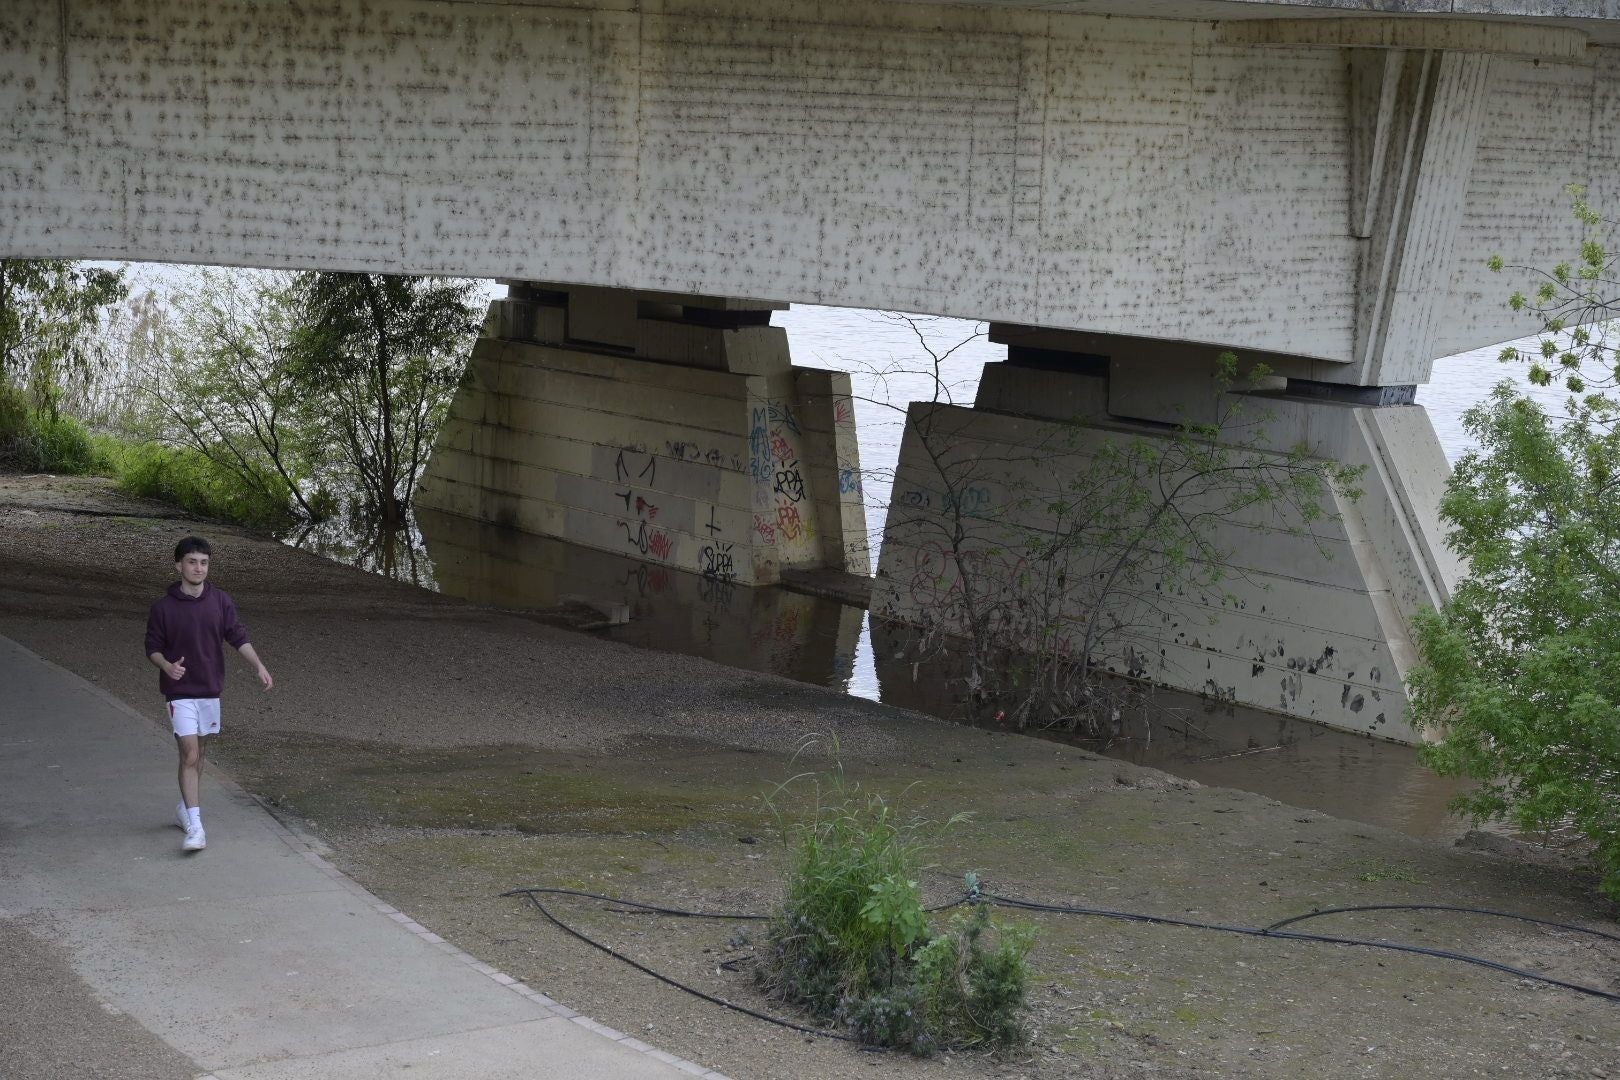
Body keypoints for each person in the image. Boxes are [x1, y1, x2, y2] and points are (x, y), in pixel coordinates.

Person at [144, 536, 272, 853]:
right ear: (179, 565)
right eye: (192, 561)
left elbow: (237, 635)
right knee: (189, 754)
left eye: (203, 562)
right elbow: (153, 648)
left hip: (209, 689)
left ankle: (185, 809)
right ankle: (196, 827)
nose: (198, 568)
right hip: (179, 692)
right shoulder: (163, 608)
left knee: (199, 755)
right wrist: (166, 666)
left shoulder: (220, 601)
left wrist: (258, 665)